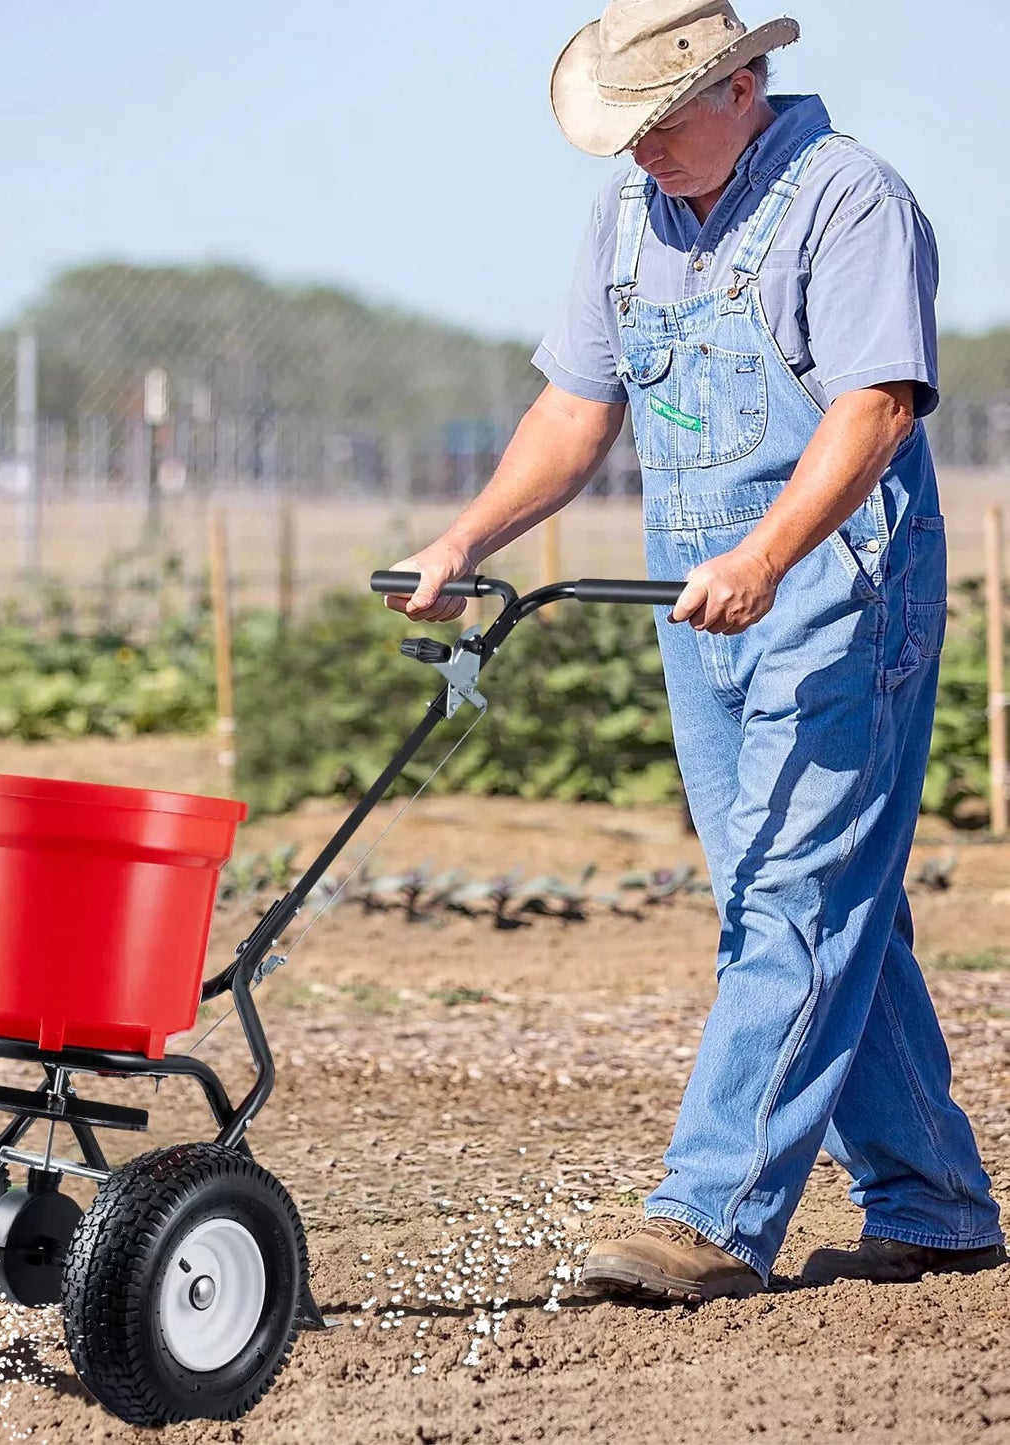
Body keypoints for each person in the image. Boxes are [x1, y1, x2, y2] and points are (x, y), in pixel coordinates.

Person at [386, 0, 1004, 1302]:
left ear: (740, 84)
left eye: (656, 121)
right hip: (701, 605)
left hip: (837, 592)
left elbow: (875, 403)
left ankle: (712, 1210)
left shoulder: (848, 201)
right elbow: (573, 407)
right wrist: (465, 537)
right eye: (621, 130)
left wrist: (769, 555)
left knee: (793, 893)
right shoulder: (629, 217)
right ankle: (934, 1201)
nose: (637, 152)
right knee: (808, 898)